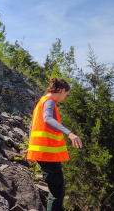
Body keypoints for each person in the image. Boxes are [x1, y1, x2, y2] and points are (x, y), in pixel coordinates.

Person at [26, 77, 82, 211]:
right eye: (66, 95)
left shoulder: (41, 102)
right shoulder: (49, 101)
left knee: (57, 189)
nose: (64, 98)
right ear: (62, 90)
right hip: (48, 153)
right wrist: (70, 133)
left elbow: (32, 125)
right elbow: (47, 119)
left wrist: (30, 147)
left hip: (43, 152)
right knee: (57, 191)